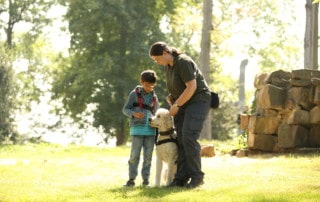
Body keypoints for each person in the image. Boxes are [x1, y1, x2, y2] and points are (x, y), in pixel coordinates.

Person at [149, 41, 211, 188]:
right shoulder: (168, 67)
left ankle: (197, 178)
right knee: (180, 139)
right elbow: (178, 85)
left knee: (189, 136)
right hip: (182, 102)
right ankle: (180, 178)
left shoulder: (183, 62)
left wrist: (176, 105)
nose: (157, 62)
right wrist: (172, 97)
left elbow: (191, 87)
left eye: (157, 59)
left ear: (165, 53)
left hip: (198, 101)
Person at [122, 70, 160, 187]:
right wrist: (134, 114)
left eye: (152, 85)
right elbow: (125, 109)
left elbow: (157, 112)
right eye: (147, 85)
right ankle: (131, 180)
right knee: (134, 156)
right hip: (137, 130)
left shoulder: (154, 97)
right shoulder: (134, 94)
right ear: (141, 82)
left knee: (148, 157)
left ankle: (145, 181)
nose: (149, 88)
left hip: (151, 131)